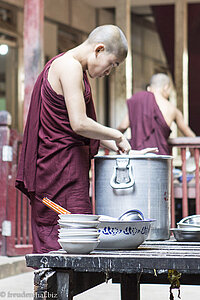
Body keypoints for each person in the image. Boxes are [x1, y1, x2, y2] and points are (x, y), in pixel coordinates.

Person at [15, 25, 132, 254]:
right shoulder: (69, 67)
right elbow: (79, 123)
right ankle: (47, 291)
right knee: (63, 243)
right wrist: (117, 134)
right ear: (98, 50)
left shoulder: (75, 68)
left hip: (68, 170)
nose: (109, 72)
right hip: (58, 173)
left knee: (78, 241)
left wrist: (114, 144)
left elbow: (74, 126)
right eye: (112, 64)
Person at [118, 73, 196, 155]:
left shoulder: (139, 100)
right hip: (160, 157)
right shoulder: (171, 108)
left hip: (138, 157)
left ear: (149, 88)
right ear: (166, 87)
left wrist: (112, 139)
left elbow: (123, 126)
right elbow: (190, 135)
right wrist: (193, 155)